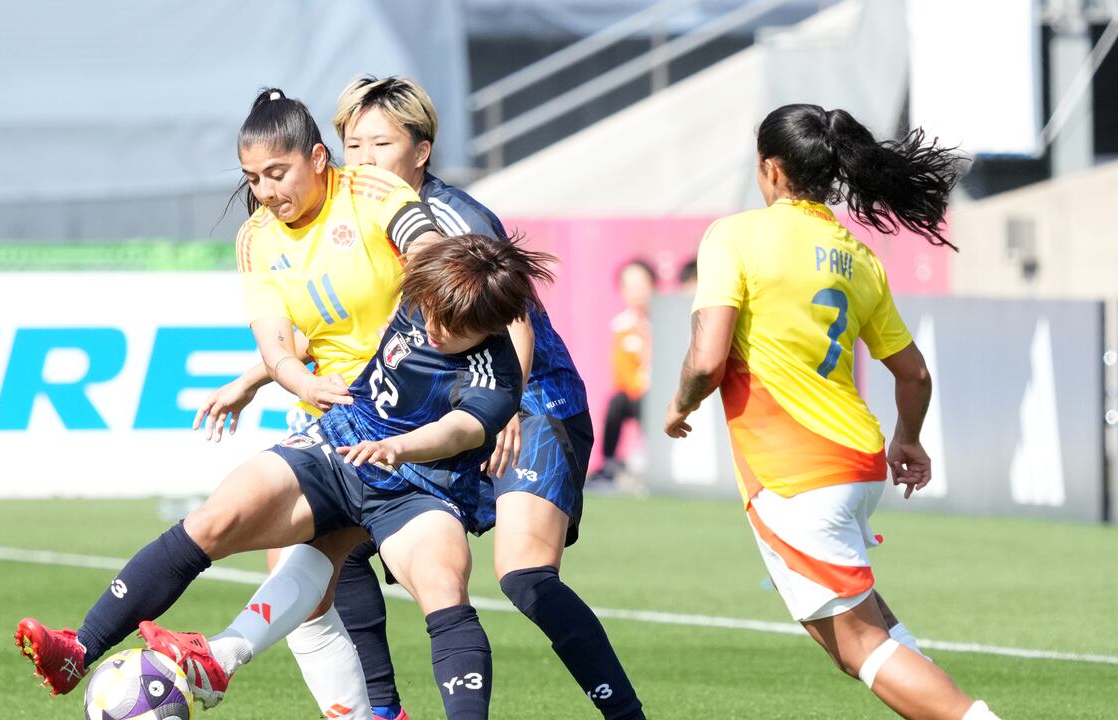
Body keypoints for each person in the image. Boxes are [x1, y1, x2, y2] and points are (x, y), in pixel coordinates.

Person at [197, 75, 645, 720]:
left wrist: (508, 407)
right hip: (433, 414)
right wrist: (258, 374)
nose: (366, 159)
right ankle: (380, 708)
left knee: (524, 577)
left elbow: (512, 315)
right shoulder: (364, 210)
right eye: (354, 144)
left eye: (381, 144)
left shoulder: (447, 218)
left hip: (530, 405)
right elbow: (350, 321)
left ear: (422, 150)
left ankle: (626, 713)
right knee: (332, 537)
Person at [16, 232, 549, 720]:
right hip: (338, 443)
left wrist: (398, 446)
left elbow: (458, 431)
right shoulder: (424, 293)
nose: (433, 327)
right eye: (431, 312)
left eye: (453, 327)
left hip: (419, 486)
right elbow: (323, 330)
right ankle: (80, 651)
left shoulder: (497, 375)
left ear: (490, 325)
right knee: (216, 519)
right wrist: (257, 377)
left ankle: (224, 658)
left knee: (443, 582)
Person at [663, 103, 999, 720]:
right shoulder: (857, 255)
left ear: (770, 170)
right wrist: (909, 441)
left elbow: (707, 361)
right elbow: (914, 373)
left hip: (796, 472)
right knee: (869, 633)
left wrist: (679, 406)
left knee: (861, 647)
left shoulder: (735, 235)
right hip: (858, 460)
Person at [592, 259, 655, 484]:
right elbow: (624, 377)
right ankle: (609, 463)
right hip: (640, 395)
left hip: (669, 393)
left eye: (642, 284)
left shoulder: (667, 318)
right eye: (630, 286)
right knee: (617, 402)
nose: (637, 292)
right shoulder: (622, 326)